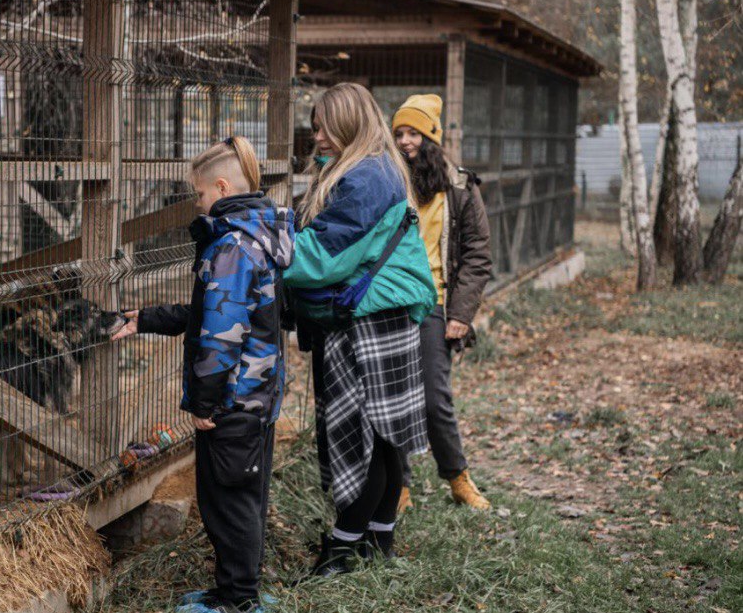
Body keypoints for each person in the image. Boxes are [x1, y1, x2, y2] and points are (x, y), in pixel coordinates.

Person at [111, 136, 295, 613]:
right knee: (241, 497)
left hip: (232, 400)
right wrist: (149, 318)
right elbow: (214, 309)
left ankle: (237, 601)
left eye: (198, 194)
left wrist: (205, 402)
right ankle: (236, 592)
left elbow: (219, 335)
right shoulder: (256, 234)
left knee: (228, 503)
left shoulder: (231, 244)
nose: (197, 202)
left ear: (219, 186)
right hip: (256, 394)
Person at [284, 82, 437, 576]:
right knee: (385, 438)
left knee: (361, 439)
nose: (318, 136)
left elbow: (319, 259)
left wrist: (266, 247)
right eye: (315, 128)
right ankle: (379, 542)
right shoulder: (372, 166)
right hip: (382, 314)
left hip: (367, 319)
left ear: (350, 123)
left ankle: (342, 550)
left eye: (325, 127)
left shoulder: (365, 176)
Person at [392, 94, 494, 512]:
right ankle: (398, 487)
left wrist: (461, 315)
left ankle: (458, 479)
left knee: (435, 398)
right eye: (398, 132)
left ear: (431, 136)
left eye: (413, 132)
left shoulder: (459, 188)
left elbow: (477, 254)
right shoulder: (388, 180)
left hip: (434, 304)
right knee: (393, 395)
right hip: (391, 303)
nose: (404, 141)